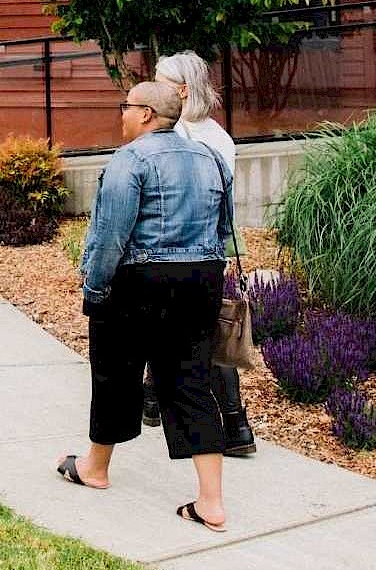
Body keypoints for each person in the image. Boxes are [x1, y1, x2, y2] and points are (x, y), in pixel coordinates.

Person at [57, 80, 233, 534]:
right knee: (192, 381)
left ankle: (95, 469)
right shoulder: (210, 158)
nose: (122, 114)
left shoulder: (130, 160)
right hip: (203, 277)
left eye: (127, 107)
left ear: (148, 115)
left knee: (115, 372)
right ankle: (211, 501)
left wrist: (95, 291)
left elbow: (110, 236)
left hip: (140, 281)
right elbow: (224, 226)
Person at [147, 51, 257, 458]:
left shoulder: (181, 139)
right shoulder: (220, 138)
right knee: (195, 329)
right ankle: (234, 424)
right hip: (211, 250)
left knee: (195, 334)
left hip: (180, 249)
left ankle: (230, 422)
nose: (153, 88)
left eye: (159, 81)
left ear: (181, 90)